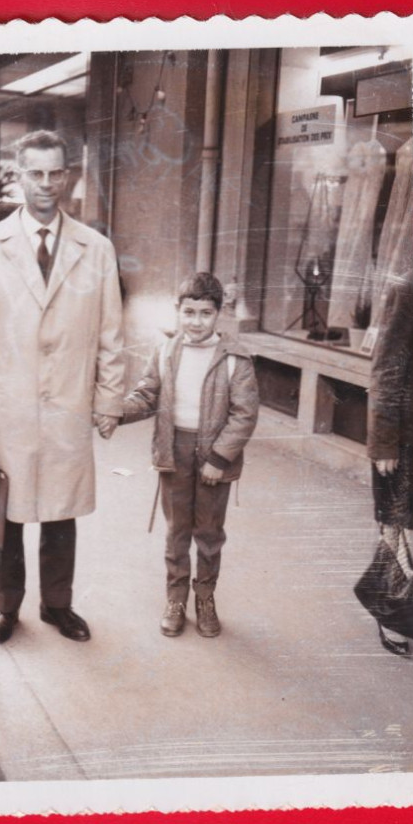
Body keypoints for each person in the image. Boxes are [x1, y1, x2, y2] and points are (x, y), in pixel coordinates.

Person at [0, 130, 124, 645]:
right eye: (36, 173)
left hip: (69, 402)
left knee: (60, 511)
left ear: (69, 174)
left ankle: (58, 605)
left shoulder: (95, 249)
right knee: (8, 512)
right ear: (18, 174)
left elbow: (110, 333)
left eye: (56, 172)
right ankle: (6, 608)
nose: (47, 184)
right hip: (9, 405)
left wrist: (109, 400)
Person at [121, 272, 259, 638]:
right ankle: (176, 599)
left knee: (209, 533)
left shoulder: (235, 359)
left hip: (214, 457)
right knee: (177, 531)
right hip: (174, 451)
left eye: (205, 313)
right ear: (177, 311)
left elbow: (244, 415)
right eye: (189, 312)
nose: (196, 322)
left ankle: (205, 598)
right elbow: (147, 394)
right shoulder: (166, 351)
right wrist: (116, 412)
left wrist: (219, 459)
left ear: (218, 315)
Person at [366, 270, 413, 654]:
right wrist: (384, 442)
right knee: (396, 526)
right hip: (405, 437)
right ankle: (392, 618)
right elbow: (386, 368)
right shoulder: (410, 287)